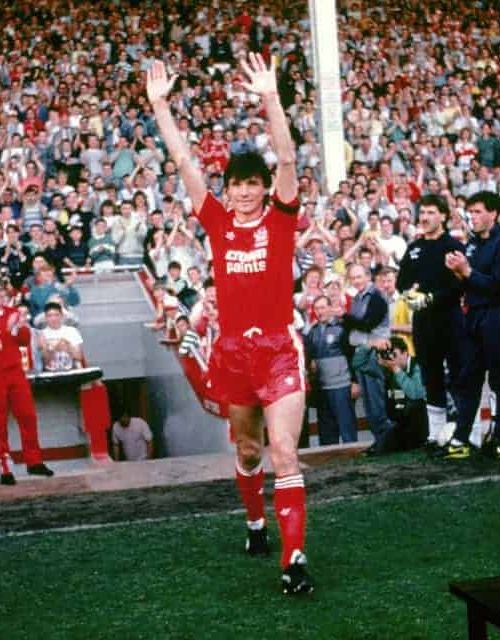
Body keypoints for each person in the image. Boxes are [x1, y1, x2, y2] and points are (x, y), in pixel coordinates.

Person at [147, 54, 313, 595]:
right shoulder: (217, 219)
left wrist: (270, 98)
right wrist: (160, 105)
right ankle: (255, 523)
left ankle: (294, 561)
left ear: (264, 187)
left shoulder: (282, 218)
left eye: (251, 184)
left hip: (278, 349)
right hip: (234, 355)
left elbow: (287, 156)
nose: (242, 192)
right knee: (247, 451)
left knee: (285, 450)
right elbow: (184, 163)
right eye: (235, 185)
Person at [443, 192, 500, 460]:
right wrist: (457, 272)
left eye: (477, 212)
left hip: (496, 315)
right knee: (469, 378)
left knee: (498, 378)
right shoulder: (472, 245)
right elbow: (468, 283)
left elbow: (499, 287)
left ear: (493, 214)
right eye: (470, 212)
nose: (472, 217)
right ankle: (461, 438)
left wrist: (467, 272)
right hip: (473, 315)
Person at [397, 194, 469, 452]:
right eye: (422, 213)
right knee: (431, 376)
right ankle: (436, 435)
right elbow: (401, 281)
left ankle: (467, 433)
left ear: (443, 216)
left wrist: (430, 298)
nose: (425, 218)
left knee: (460, 376)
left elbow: (458, 285)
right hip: (423, 323)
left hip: (450, 320)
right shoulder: (414, 247)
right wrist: (409, 295)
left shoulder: (453, 246)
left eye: (430, 212)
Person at [0, 275, 55, 485]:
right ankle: (4, 466)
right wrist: (7, 328)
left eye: (0, 291)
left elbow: (23, 340)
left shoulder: (13, 312)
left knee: (28, 416)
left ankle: (34, 461)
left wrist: (19, 326)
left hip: (15, 371)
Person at [341, 264, 393, 454]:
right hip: (361, 352)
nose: (356, 281)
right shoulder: (357, 298)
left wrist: (343, 316)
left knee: (375, 397)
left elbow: (367, 324)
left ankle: (385, 440)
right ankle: (379, 439)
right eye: (353, 278)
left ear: (368, 276)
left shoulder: (377, 297)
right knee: (369, 400)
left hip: (373, 352)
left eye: (359, 277)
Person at [303, 294, 358, 446]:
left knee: (347, 428)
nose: (319, 311)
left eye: (322, 307)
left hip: (341, 385)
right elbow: (309, 359)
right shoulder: (312, 332)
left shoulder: (342, 328)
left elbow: (352, 355)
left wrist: (355, 381)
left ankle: (354, 462)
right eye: (316, 308)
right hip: (322, 388)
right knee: (326, 432)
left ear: (330, 308)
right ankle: (329, 467)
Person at [378, 336, 427, 450]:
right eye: (389, 355)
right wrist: (371, 346)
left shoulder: (418, 365)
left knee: (414, 405)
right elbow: (359, 363)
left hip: (422, 419)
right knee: (383, 446)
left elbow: (416, 394)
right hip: (400, 420)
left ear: (405, 352)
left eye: (394, 354)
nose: (391, 358)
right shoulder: (387, 368)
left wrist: (396, 369)